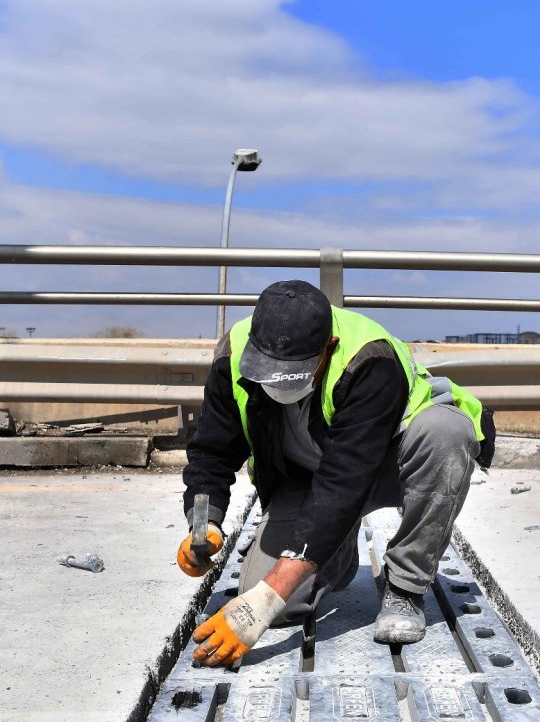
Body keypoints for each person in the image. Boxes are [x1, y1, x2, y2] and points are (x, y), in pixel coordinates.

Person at [178, 280, 495, 668]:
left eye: (290, 375)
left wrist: (257, 606)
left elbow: (344, 482)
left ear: (326, 348)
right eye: (268, 373)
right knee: (279, 607)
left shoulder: (370, 359)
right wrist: (204, 522)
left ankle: (406, 586)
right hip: (305, 479)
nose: (277, 385)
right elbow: (212, 448)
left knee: (446, 432)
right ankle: (333, 554)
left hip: (387, 464)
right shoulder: (236, 352)